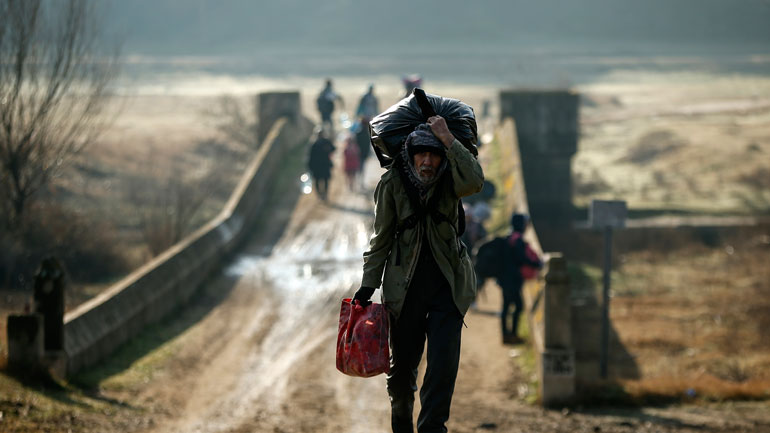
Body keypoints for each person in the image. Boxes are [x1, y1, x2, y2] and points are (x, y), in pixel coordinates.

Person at [353, 116, 484, 433]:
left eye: (434, 154)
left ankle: (432, 428)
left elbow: (475, 182)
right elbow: (381, 237)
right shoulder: (393, 184)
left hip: (448, 287)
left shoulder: (452, 178)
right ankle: (401, 424)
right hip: (404, 289)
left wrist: (448, 139)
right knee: (401, 374)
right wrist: (368, 284)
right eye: (421, 154)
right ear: (411, 156)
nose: (427, 161)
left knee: (442, 368)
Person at [475, 213, 543, 345]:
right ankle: (511, 335)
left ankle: (506, 335)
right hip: (512, 279)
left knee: (506, 307)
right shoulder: (517, 240)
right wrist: (538, 264)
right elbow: (521, 258)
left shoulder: (508, 237)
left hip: (504, 278)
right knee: (518, 306)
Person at [307, 129, 336, 201]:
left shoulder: (326, 142)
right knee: (318, 181)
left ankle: (324, 194)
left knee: (325, 180)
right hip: (317, 166)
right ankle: (320, 195)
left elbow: (333, 148)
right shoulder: (314, 144)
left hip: (324, 165)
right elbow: (311, 156)